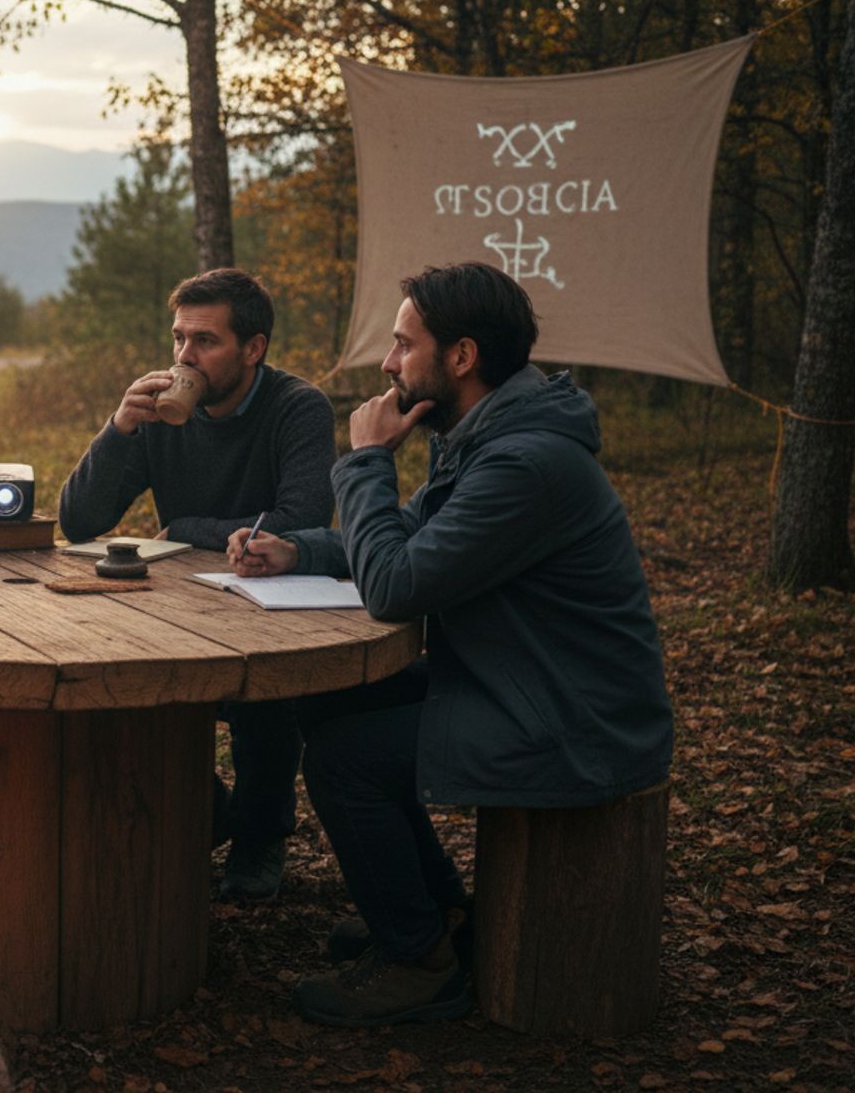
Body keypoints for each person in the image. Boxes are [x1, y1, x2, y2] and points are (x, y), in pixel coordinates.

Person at [229, 261, 673, 1026]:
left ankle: (419, 962)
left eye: (404, 345)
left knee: (345, 760)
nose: (388, 363)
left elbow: (397, 585)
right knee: (330, 699)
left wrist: (365, 460)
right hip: (519, 681)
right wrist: (298, 549)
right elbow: (410, 535)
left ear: (462, 356)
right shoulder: (486, 435)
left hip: (574, 722)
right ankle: (437, 912)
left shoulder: (524, 463)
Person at [58, 267, 336, 902]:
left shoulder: (298, 407)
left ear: (253, 348)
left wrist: (185, 527)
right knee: (114, 683)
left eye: (205, 341)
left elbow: (302, 520)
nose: (185, 356)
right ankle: (207, 813)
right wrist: (118, 429)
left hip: (269, 602)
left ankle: (260, 835)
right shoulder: (161, 415)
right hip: (179, 603)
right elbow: (79, 522)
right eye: (179, 338)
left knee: (264, 693)